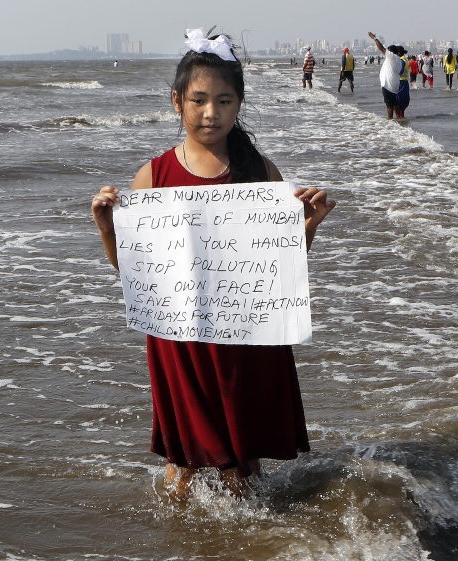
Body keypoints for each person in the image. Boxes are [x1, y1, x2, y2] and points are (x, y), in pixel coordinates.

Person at [91, 29, 335, 499]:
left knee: (243, 470)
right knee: (181, 469)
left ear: (239, 104)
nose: (211, 112)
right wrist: (107, 229)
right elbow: (137, 275)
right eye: (199, 100)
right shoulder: (153, 175)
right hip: (180, 341)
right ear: (177, 102)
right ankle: (181, 534)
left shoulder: (261, 173)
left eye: (224, 101)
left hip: (245, 337)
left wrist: (309, 225)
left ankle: (253, 534)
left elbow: (278, 267)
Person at [368, 32, 406, 119]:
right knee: (395, 102)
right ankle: (398, 117)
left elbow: (381, 47)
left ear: (391, 52)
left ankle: (390, 120)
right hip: (395, 83)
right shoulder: (399, 60)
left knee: (389, 104)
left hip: (388, 84)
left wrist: (374, 38)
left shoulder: (391, 56)